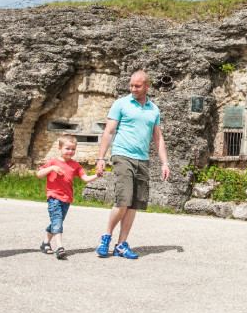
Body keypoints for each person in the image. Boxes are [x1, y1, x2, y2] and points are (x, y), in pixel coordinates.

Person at [94, 70, 170, 259]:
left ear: (147, 86)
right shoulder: (121, 104)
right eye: (131, 85)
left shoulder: (154, 109)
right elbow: (109, 132)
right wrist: (101, 158)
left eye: (137, 86)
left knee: (135, 203)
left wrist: (165, 163)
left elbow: (158, 138)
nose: (133, 89)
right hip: (122, 155)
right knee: (123, 200)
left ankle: (121, 244)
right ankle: (106, 236)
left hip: (142, 159)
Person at [37, 134, 100, 260]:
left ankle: (45, 244)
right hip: (53, 196)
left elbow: (85, 179)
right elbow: (39, 174)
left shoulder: (75, 165)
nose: (70, 151)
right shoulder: (53, 162)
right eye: (67, 148)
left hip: (67, 198)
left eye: (73, 149)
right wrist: (51, 168)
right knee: (57, 221)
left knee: (56, 221)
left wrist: (97, 175)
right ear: (60, 148)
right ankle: (60, 248)